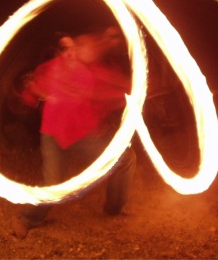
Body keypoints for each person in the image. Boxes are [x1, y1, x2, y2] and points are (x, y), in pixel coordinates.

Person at [11, 26, 136, 239]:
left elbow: (103, 92)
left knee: (124, 159)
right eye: (64, 49)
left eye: (72, 48)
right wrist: (28, 93)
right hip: (53, 135)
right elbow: (30, 92)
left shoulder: (86, 73)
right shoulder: (48, 69)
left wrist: (131, 91)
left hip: (81, 136)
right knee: (54, 184)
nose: (69, 53)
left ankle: (114, 208)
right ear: (58, 52)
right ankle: (26, 219)